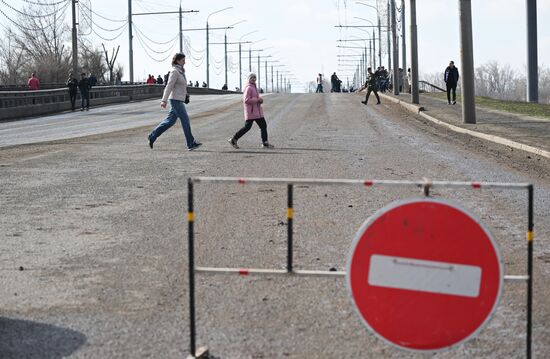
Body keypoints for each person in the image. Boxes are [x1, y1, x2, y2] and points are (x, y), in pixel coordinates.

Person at [148, 53, 201, 151]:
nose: (185, 62)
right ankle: (191, 143)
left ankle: (152, 136)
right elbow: (169, 86)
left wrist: (186, 94)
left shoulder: (181, 71)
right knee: (185, 120)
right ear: (177, 61)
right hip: (175, 100)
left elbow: (181, 86)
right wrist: (164, 100)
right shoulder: (175, 71)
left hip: (179, 99)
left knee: (169, 122)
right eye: (183, 60)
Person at [227, 73, 274, 149]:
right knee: (247, 127)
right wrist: (257, 100)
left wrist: (260, 101)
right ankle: (233, 139)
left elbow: (254, 98)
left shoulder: (254, 87)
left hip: (257, 112)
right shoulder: (249, 88)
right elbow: (246, 100)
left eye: (255, 77)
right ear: (249, 79)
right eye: (252, 77)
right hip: (251, 112)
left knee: (263, 126)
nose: (254, 79)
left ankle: (265, 143)